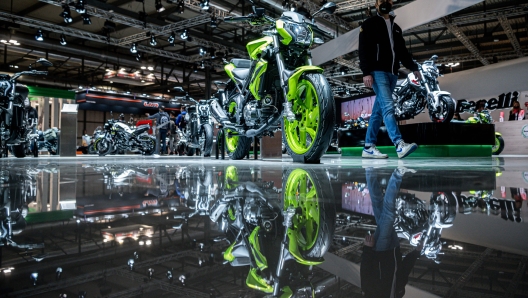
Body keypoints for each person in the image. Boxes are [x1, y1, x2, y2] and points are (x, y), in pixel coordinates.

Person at [359, 0, 421, 159]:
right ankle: (399, 144)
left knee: (378, 112)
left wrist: (414, 68)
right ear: (376, 5)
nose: (384, 3)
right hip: (377, 71)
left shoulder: (396, 28)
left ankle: (368, 147)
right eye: (381, 1)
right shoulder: (369, 24)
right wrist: (366, 72)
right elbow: (363, 49)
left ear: (391, 3)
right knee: (388, 106)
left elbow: (402, 52)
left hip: (393, 73)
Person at [361, 167, 421, 298]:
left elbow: (365, 275)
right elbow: (403, 272)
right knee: (379, 207)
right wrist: (416, 253)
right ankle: (369, 171)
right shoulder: (397, 295)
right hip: (394, 248)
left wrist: (367, 249)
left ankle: (398, 173)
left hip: (380, 250)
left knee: (388, 214)